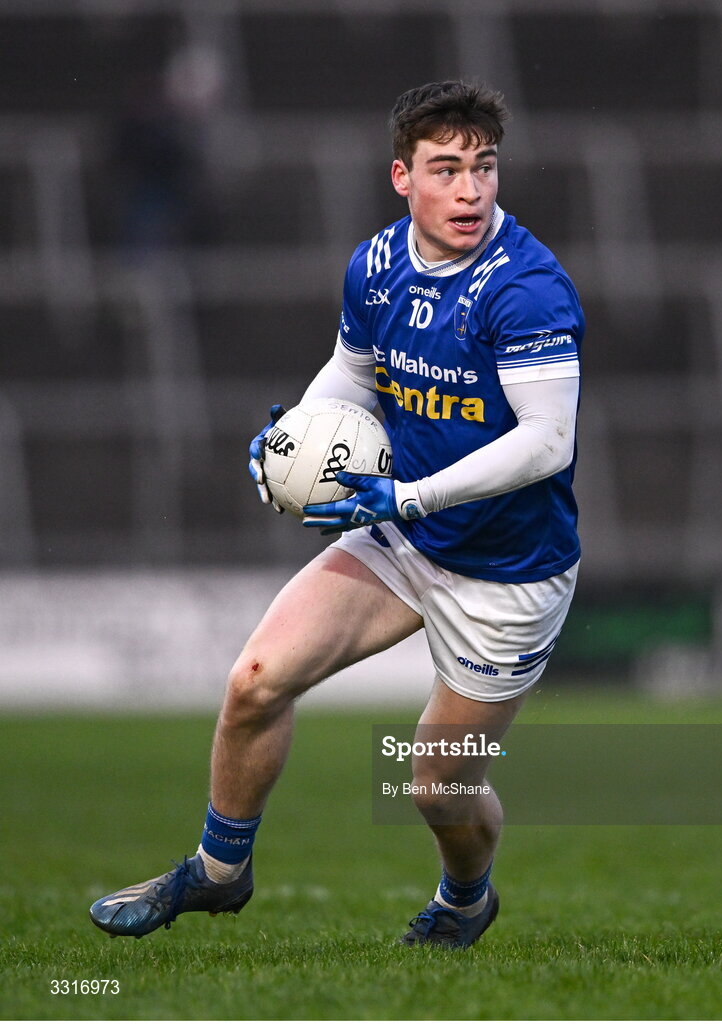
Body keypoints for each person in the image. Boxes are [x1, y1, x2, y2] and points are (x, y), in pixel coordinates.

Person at [90, 80, 585, 948]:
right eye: (447, 170)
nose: (470, 191)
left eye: (484, 168)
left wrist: (411, 493)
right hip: (404, 536)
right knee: (254, 683)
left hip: (509, 572)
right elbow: (353, 372)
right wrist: (292, 437)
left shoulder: (528, 289)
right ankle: (218, 873)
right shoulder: (376, 264)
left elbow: (547, 441)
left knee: (437, 787)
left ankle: (467, 900)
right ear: (403, 177)